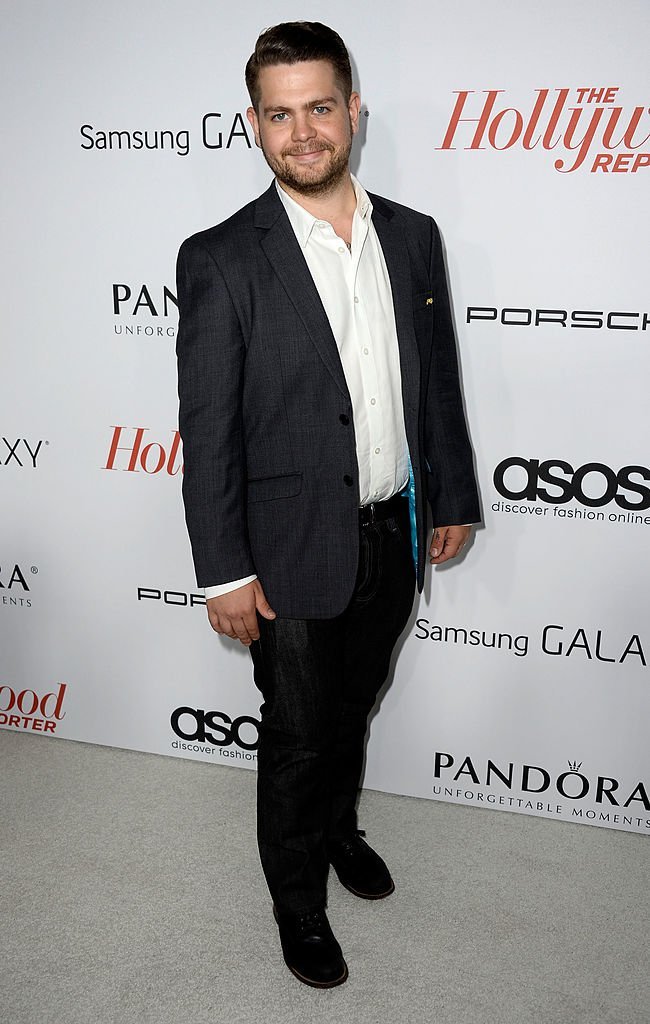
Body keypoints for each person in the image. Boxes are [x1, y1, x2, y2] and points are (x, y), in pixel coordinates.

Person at [176, 21, 480, 989]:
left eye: (318, 107)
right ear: (253, 126)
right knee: (299, 732)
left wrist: (453, 494)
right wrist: (224, 571)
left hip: (391, 532)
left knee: (352, 706)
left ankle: (340, 827)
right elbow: (208, 428)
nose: (301, 131)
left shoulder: (412, 235)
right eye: (278, 113)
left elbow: (434, 382)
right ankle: (296, 902)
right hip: (285, 546)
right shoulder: (221, 257)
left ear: (352, 110)